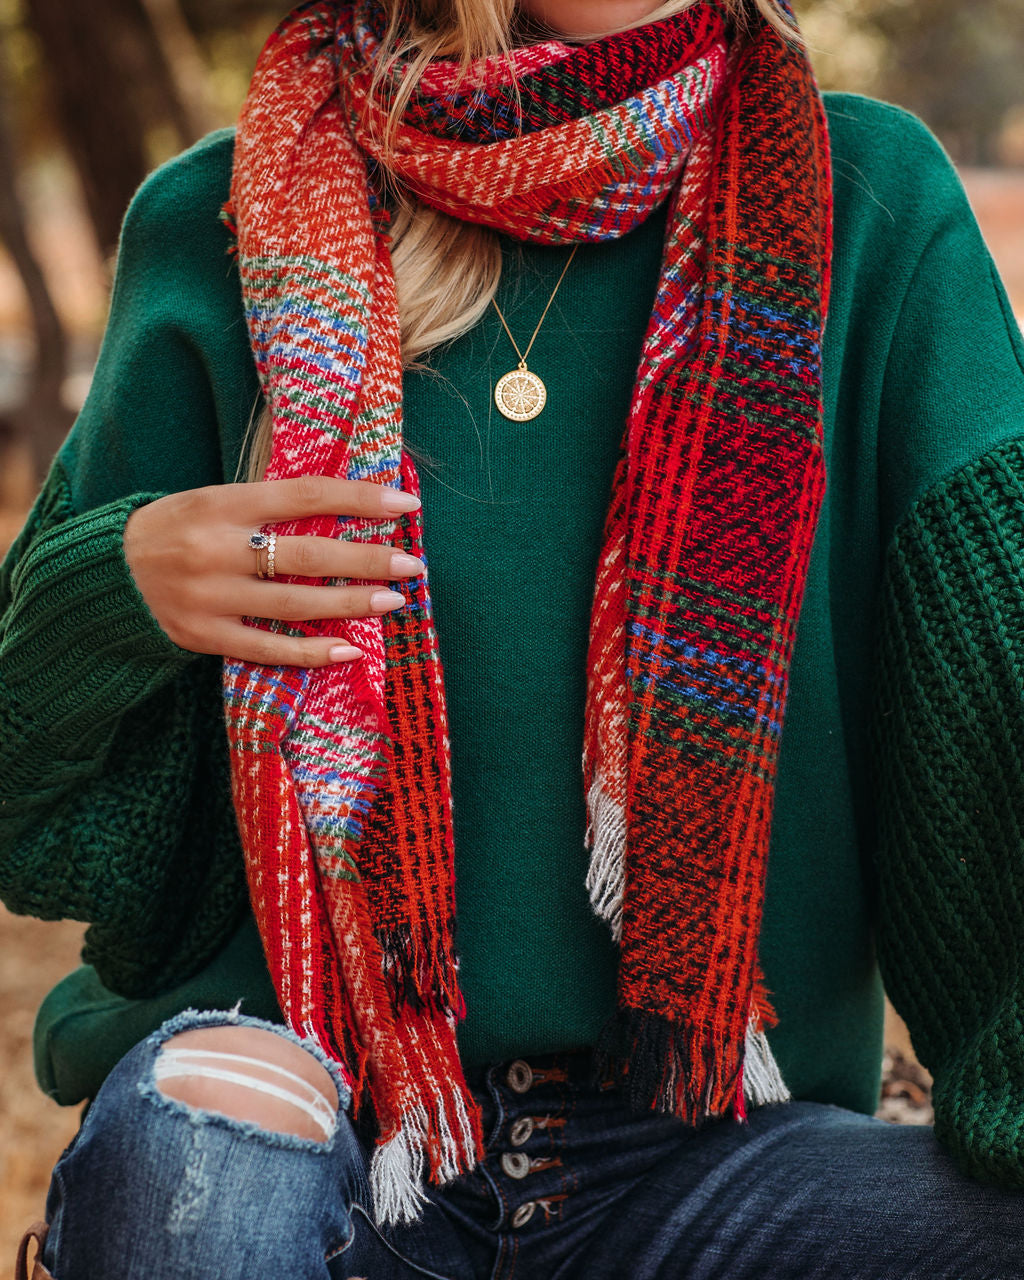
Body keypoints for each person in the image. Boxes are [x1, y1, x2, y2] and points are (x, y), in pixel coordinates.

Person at [4, 0, 1024, 1275]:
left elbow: (999, 714)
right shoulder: (215, 217)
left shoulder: (863, 197)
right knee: (203, 1152)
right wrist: (115, 591)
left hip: (710, 1161)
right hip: (322, 1136)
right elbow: (25, 810)